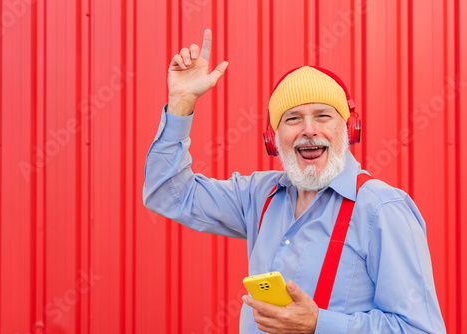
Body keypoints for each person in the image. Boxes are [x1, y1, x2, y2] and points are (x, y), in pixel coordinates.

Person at [143, 29, 446, 333]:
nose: (309, 130)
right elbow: (168, 194)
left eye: (323, 116)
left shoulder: (382, 209)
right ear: (274, 139)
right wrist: (181, 102)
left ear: (348, 129)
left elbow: (420, 329)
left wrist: (319, 324)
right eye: (293, 119)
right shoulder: (258, 196)